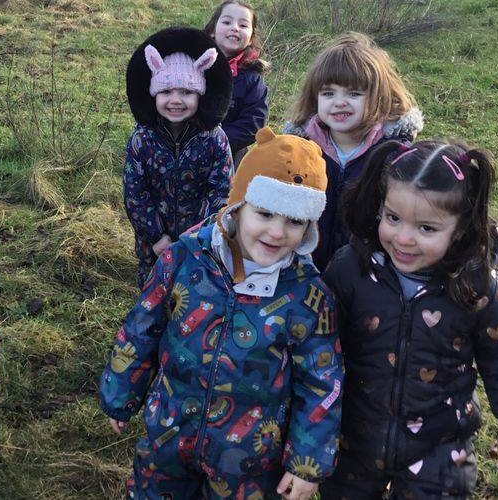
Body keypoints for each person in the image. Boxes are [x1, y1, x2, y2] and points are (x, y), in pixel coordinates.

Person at [101, 129, 343, 499]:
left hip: (248, 457)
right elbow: (142, 326)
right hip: (168, 431)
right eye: (264, 213)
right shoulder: (184, 258)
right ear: (238, 205)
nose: (277, 232)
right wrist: (120, 393)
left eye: (295, 221)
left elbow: (322, 380)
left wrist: (307, 461)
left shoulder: (308, 294)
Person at [320, 140, 498, 499]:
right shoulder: (351, 268)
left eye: (427, 229)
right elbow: (317, 340)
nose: (403, 238)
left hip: (440, 446)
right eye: (393, 218)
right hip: (356, 434)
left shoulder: (475, 284)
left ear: (461, 228)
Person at [283, 32, 423, 270]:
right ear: (314, 97)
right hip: (304, 266)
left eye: (354, 93)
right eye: (328, 93)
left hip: (366, 271)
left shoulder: (395, 154)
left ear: (379, 97)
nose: (340, 102)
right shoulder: (299, 149)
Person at [124, 27, 234, 287]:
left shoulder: (215, 139)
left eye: (186, 92)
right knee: (152, 295)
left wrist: (199, 237)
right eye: (166, 92)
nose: (176, 100)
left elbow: (221, 191)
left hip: (200, 246)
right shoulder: (142, 140)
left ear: (200, 95)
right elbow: (134, 193)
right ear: (154, 94)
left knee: (194, 300)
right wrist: (155, 236)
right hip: (153, 245)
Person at [204, 1, 269, 167]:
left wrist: (211, 143)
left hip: (228, 160)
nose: (235, 28)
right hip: (182, 153)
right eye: (227, 22)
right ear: (212, 30)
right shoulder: (192, 64)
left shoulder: (253, 80)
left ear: (251, 38)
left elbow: (252, 124)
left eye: (243, 25)